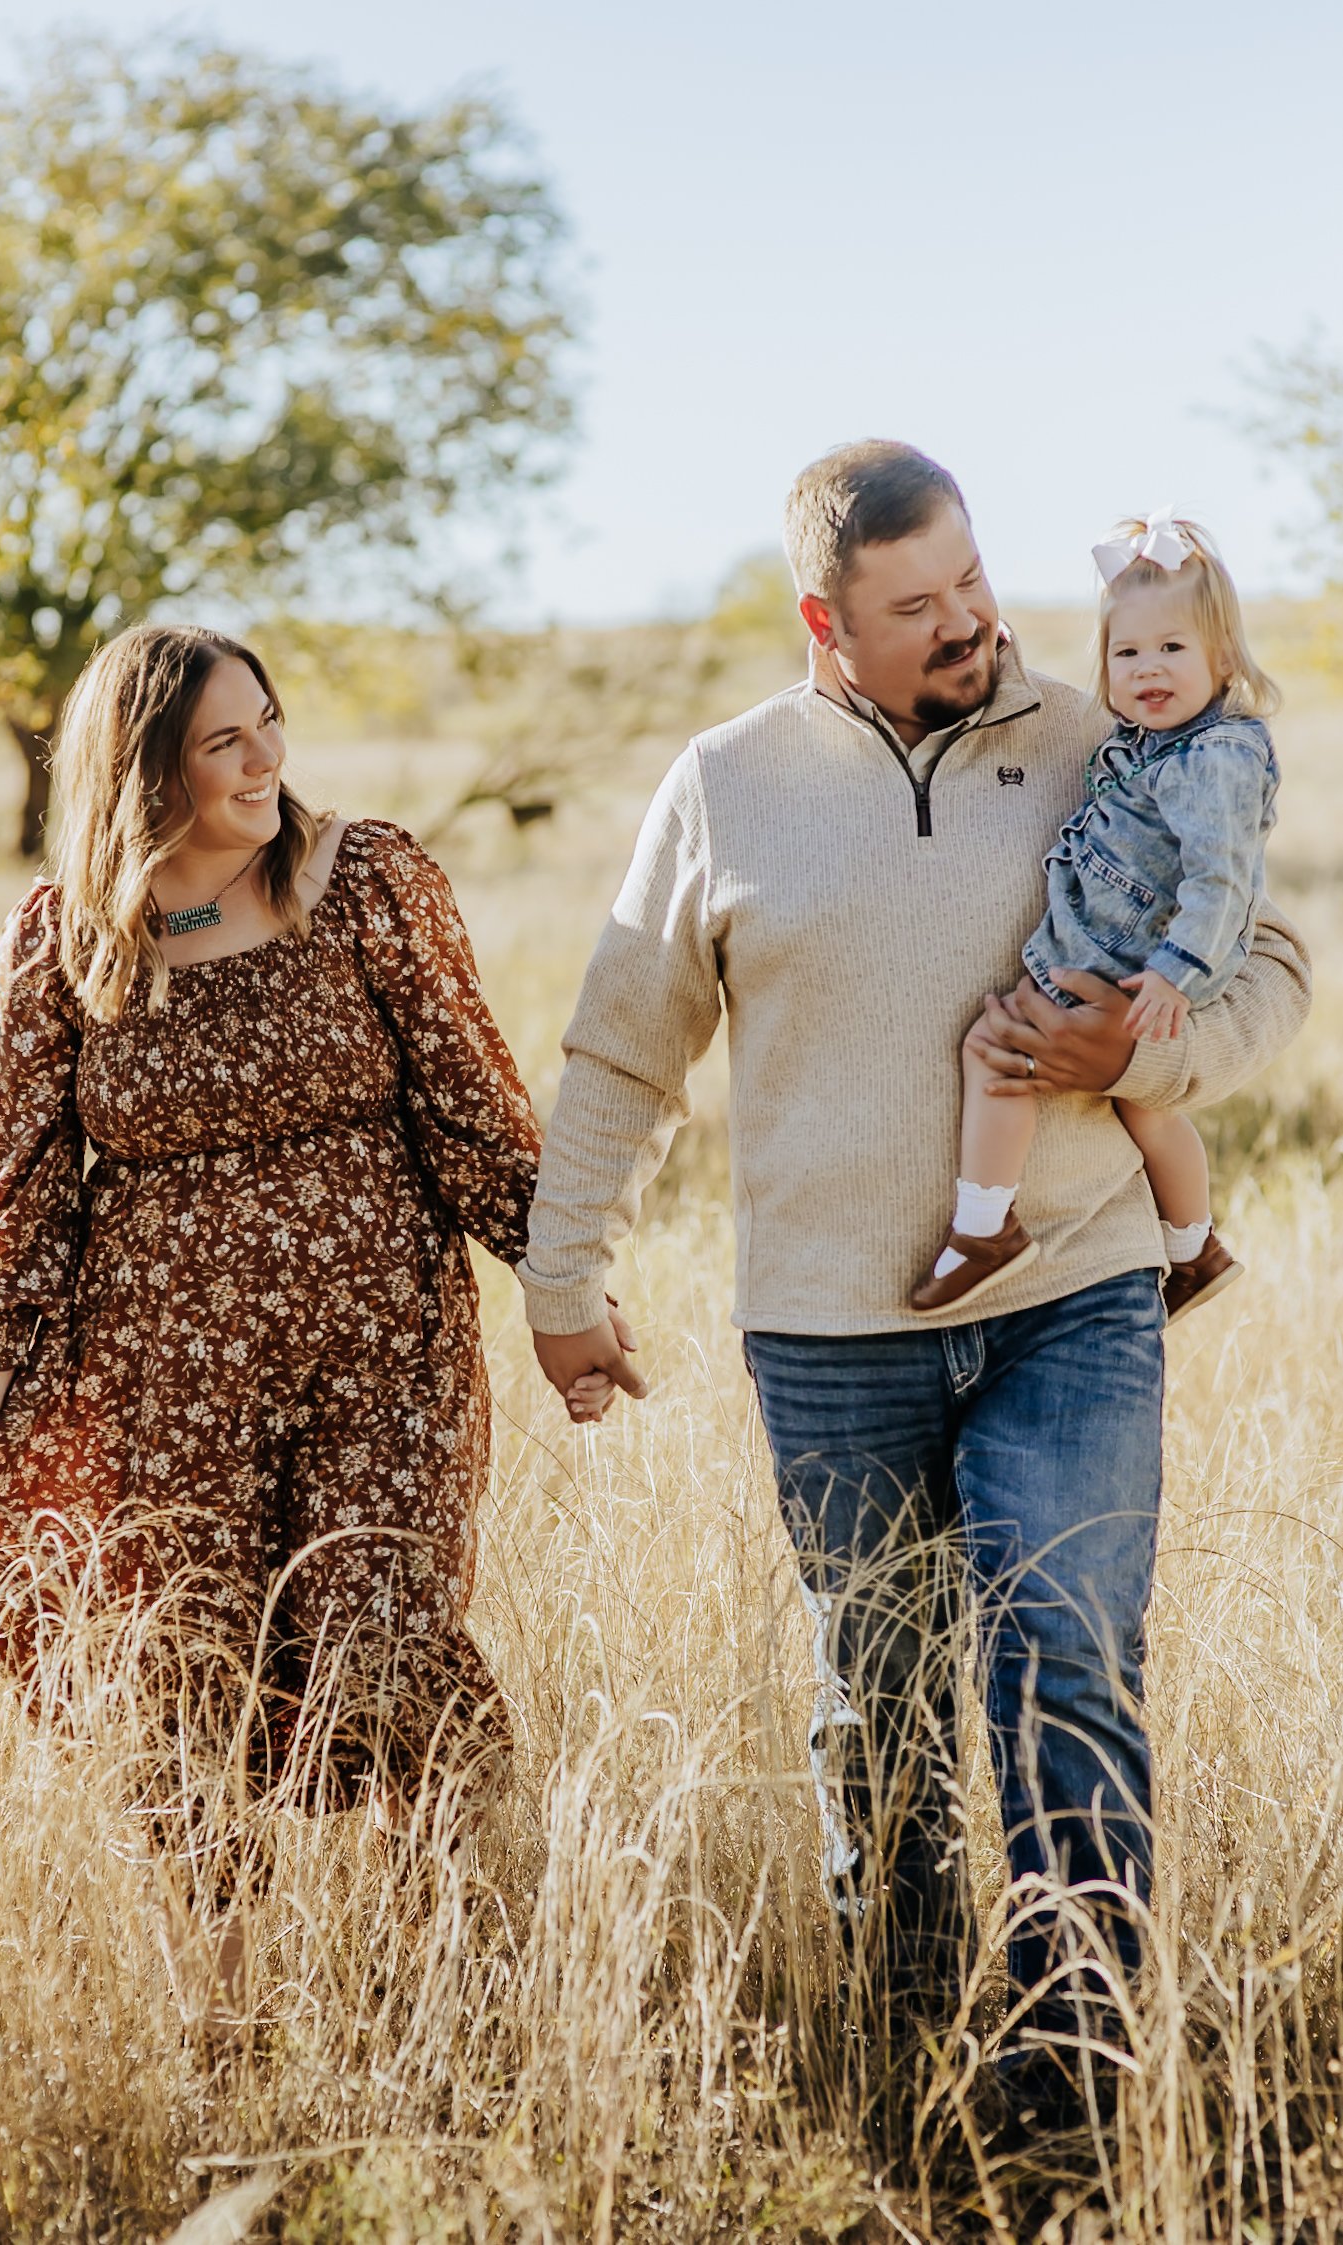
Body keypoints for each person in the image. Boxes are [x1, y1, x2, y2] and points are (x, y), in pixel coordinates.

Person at [517, 443, 1310, 2115]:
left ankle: (1074, 2089)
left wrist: (1149, 1061)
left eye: (971, 581)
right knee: (874, 1707)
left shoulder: (1106, 729)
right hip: (827, 1331)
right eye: (916, 607)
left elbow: (1271, 959)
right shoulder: (724, 784)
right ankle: (904, 2060)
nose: (970, 623)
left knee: (1068, 1653)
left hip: (1071, 1297)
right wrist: (560, 1277)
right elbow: (621, 1048)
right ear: (825, 619)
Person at [0, 622, 565, 1873]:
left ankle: (467, 1970)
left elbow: (473, 1104)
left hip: (381, 1357)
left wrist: (560, 1281)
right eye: (225, 739)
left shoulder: (367, 880)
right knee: (180, 1676)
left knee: (382, 1644)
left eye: (269, 720)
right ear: (145, 769)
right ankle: (228, 2017)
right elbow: (25, 1170)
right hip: (164, 1378)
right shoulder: (63, 941)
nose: (265, 757)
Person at [910, 510, 1279, 1322]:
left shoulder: (1210, 759)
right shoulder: (1145, 742)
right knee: (1144, 1102)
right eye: (1126, 652)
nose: (1148, 669)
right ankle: (1193, 1248)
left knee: (996, 1048)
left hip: (1131, 964)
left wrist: (1177, 976)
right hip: (1130, 957)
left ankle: (984, 1229)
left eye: (1172, 649)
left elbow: (1223, 880)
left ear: (1222, 658)